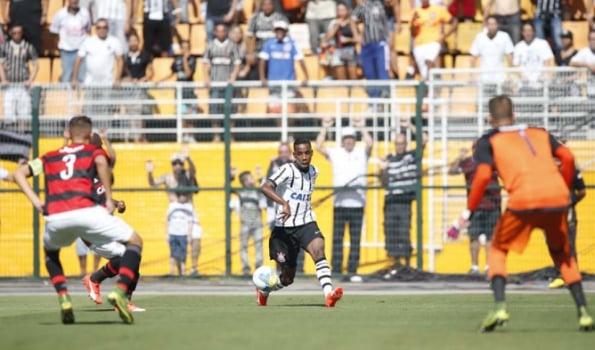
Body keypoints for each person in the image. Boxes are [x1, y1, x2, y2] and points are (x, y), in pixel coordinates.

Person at [455, 95, 593, 332]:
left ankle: (499, 306)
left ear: (490, 119)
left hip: (523, 200)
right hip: (557, 199)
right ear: (514, 115)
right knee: (562, 255)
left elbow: (483, 175)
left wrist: (467, 212)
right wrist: (565, 189)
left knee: (498, 248)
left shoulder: (488, 141)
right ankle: (584, 313)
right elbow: (568, 157)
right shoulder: (539, 132)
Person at [13, 115, 143, 324]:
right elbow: (104, 161)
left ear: (68, 134)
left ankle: (64, 297)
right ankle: (120, 293)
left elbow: (19, 173)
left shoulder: (49, 156)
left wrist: (37, 202)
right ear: (90, 135)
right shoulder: (93, 152)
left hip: (56, 216)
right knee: (134, 243)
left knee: (51, 254)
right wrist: (109, 198)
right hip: (87, 213)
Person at [259, 138, 343, 307]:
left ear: (311, 153)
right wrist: (284, 203)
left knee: (319, 250)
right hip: (284, 231)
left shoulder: (314, 171)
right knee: (287, 278)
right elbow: (265, 187)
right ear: (294, 155)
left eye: (307, 153)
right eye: (300, 154)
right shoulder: (287, 170)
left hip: (306, 223)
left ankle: (329, 295)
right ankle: (264, 291)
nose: (304, 157)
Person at [316, 118, 373, 280]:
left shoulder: (361, 152)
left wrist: (361, 126)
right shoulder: (336, 152)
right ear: (342, 141)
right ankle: (337, 269)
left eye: (351, 138)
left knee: (355, 239)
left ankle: (352, 270)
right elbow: (318, 146)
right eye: (346, 138)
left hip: (358, 203)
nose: (349, 141)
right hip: (340, 202)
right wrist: (324, 127)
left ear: (355, 140)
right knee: (337, 239)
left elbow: (370, 143)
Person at [448, 140, 501, 275]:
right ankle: (475, 267)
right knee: (474, 237)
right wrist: (460, 157)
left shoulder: (494, 161)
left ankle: (489, 266)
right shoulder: (469, 163)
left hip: (493, 205)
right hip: (475, 206)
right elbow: (452, 171)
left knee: (491, 237)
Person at [147, 151, 202, 276]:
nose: (177, 166)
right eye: (175, 163)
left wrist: (189, 159)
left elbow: (193, 171)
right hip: (175, 210)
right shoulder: (167, 177)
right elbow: (152, 183)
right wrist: (149, 172)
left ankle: (194, 269)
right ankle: (179, 271)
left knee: (196, 238)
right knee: (176, 240)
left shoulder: (187, 175)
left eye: (180, 163)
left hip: (189, 208)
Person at [380, 126, 427, 270]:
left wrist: (410, 126)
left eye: (402, 143)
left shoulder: (412, 156)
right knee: (390, 231)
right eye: (397, 143)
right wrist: (383, 169)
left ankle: (406, 264)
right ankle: (395, 263)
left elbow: (424, 139)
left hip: (404, 200)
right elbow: (383, 182)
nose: (399, 146)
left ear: (406, 144)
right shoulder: (388, 159)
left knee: (404, 231)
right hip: (391, 200)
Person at [549, 142, 586, 289]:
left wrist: (571, 203)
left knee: (569, 245)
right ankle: (560, 274)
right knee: (554, 245)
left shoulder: (572, 169)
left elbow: (582, 191)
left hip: (567, 213)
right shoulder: (546, 170)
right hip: (551, 213)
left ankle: (571, 276)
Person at [258, 20, 309, 117]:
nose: (279, 32)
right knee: (275, 112)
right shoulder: (269, 43)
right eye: (277, 30)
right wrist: (262, 77)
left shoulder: (292, 43)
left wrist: (306, 76)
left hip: (289, 83)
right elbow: (262, 61)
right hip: (273, 84)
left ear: (286, 31)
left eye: (281, 30)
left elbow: (300, 59)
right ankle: (280, 132)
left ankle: (289, 132)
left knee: (289, 112)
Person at [203, 23, 241, 142]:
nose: (221, 33)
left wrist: (233, 77)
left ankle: (230, 136)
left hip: (228, 86)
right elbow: (204, 63)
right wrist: (206, 78)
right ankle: (216, 136)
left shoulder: (232, 45)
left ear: (226, 32)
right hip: (215, 85)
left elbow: (237, 63)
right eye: (218, 31)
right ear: (215, 32)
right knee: (215, 111)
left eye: (223, 31)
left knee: (230, 110)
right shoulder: (210, 45)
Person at [0, 25, 39, 134]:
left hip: (23, 85)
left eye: (19, 32)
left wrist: (30, 80)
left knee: (24, 110)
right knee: (9, 109)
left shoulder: (28, 47)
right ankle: (10, 134)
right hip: (10, 85)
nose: (17, 35)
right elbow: (0, 64)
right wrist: (3, 79)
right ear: (10, 34)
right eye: (14, 33)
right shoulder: (5, 47)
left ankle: (23, 134)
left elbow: (36, 65)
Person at [410, 0, 458, 82]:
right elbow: (413, 33)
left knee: (430, 61)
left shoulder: (438, 10)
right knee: (425, 75)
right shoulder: (415, 12)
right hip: (419, 46)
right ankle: (428, 90)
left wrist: (444, 36)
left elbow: (454, 22)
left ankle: (435, 84)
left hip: (434, 43)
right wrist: (414, 22)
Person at [230, 168, 265, 275]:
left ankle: (259, 266)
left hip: (257, 223)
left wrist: (260, 176)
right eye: (251, 178)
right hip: (245, 223)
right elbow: (228, 188)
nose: (253, 179)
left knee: (258, 245)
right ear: (245, 181)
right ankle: (246, 267)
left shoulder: (257, 191)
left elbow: (266, 187)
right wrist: (231, 176)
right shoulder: (241, 191)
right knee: (243, 246)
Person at [352, 0, 390, 100]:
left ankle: (386, 97)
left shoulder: (381, 4)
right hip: (367, 44)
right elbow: (352, 19)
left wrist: (388, 38)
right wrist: (356, 35)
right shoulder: (363, 6)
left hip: (380, 42)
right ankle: (374, 100)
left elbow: (385, 22)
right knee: (369, 73)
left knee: (382, 70)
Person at [50, 0, 92, 83]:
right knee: (66, 77)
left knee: (81, 77)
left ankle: (79, 96)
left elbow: (88, 29)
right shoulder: (60, 14)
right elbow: (54, 32)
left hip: (81, 50)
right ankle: (65, 95)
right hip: (66, 51)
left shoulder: (85, 13)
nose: (74, 1)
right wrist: (59, 47)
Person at [469, 15, 514, 90]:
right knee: (483, 100)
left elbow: (509, 56)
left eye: (494, 24)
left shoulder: (504, 36)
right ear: (486, 25)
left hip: (500, 76)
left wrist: (510, 75)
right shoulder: (479, 37)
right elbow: (473, 57)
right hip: (484, 76)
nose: (491, 26)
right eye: (489, 24)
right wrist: (471, 75)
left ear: (497, 25)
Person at [325, 1, 361, 80]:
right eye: (339, 10)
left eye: (343, 10)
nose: (341, 12)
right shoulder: (334, 23)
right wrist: (336, 26)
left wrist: (349, 40)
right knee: (341, 79)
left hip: (350, 50)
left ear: (347, 11)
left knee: (353, 78)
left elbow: (358, 38)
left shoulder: (351, 22)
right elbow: (327, 38)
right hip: (338, 50)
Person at [166, 189, 194, 276]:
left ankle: (183, 272)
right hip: (173, 233)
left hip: (183, 234)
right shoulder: (172, 206)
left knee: (183, 254)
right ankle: (172, 272)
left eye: (185, 195)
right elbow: (167, 220)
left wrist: (189, 234)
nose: (183, 197)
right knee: (173, 254)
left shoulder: (189, 206)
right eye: (182, 195)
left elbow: (190, 221)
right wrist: (167, 233)